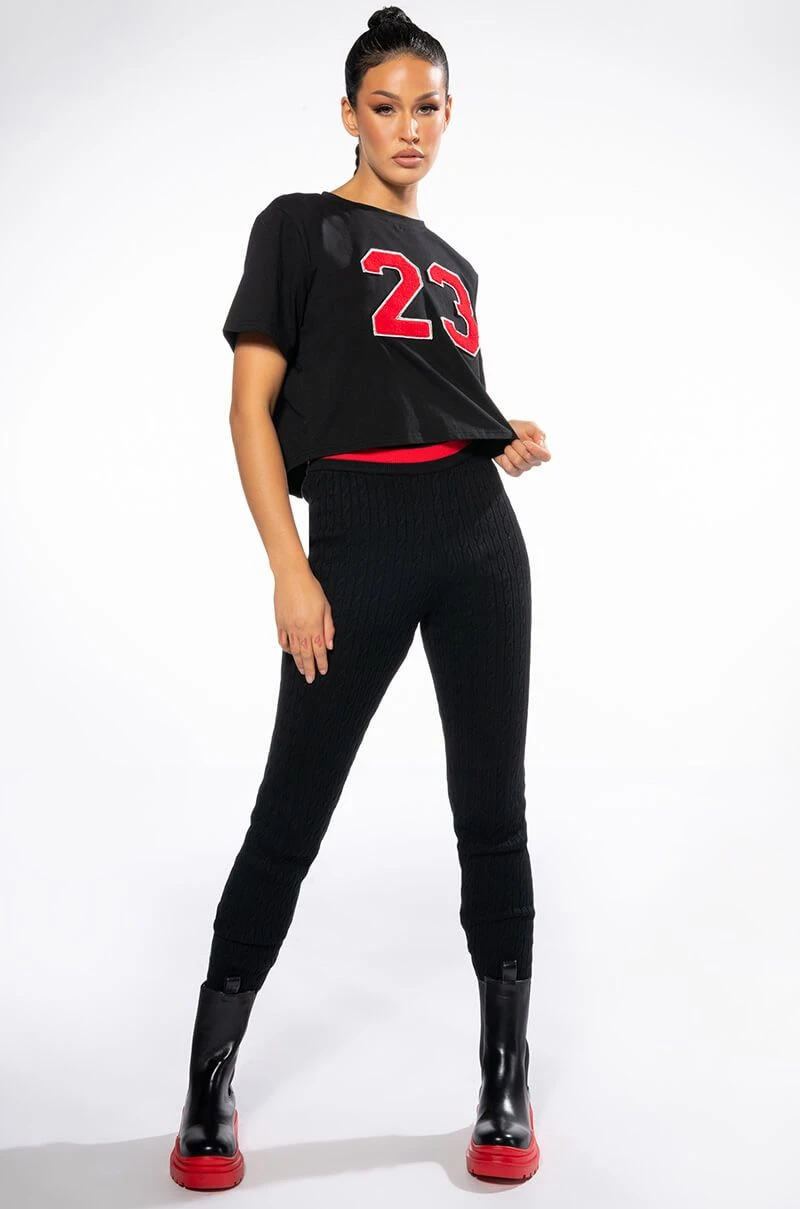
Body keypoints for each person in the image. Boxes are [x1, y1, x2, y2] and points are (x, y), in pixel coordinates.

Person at [169, 5, 551, 1191]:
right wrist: (288, 566)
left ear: (448, 115)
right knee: (292, 810)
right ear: (348, 113)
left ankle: (501, 1078)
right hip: (356, 540)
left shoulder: (454, 264)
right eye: (383, 106)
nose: (406, 127)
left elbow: (412, 389)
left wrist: (489, 432)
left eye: (426, 107)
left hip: (477, 536)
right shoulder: (298, 227)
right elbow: (250, 407)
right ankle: (208, 1080)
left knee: (491, 810)